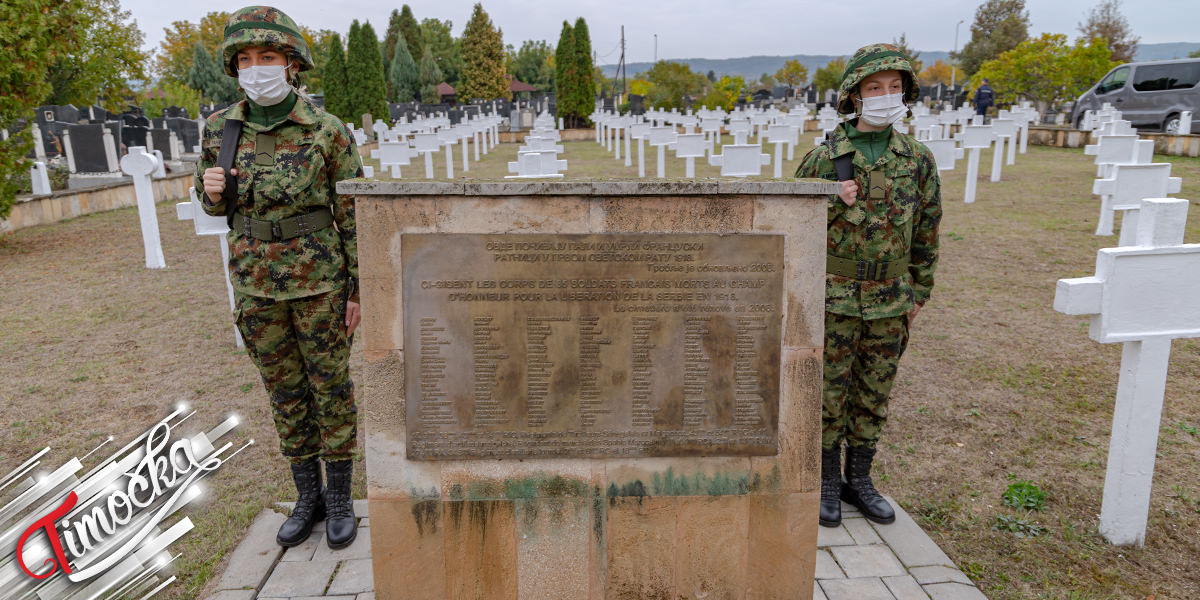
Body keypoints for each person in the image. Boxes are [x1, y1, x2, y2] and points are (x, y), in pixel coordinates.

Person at [194, 6, 363, 549]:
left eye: (267, 57)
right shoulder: (221, 128)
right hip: (256, 287)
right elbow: (214, 205)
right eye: (244, 59)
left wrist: (360, 290)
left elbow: (355, 216)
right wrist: (212, 191)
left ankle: (339, 496)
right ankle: (306, 494)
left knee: (329, 388)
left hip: (319, 285)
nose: (255, 67)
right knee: (284, 393)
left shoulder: (326, 131)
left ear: (292, 64)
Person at [794, 44, 941, 527]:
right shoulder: (823, 159)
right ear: (854, 95)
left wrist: (918, 293)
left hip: (890, 300)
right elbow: (795, 226)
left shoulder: (917, 159)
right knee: (828, 393)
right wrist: (832, 201)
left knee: (873, 394)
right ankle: (825, 482)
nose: (886, 95)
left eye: (895, 87)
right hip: (834, 299)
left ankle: (860, 480)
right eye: (875, 88)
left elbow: (927, 229)